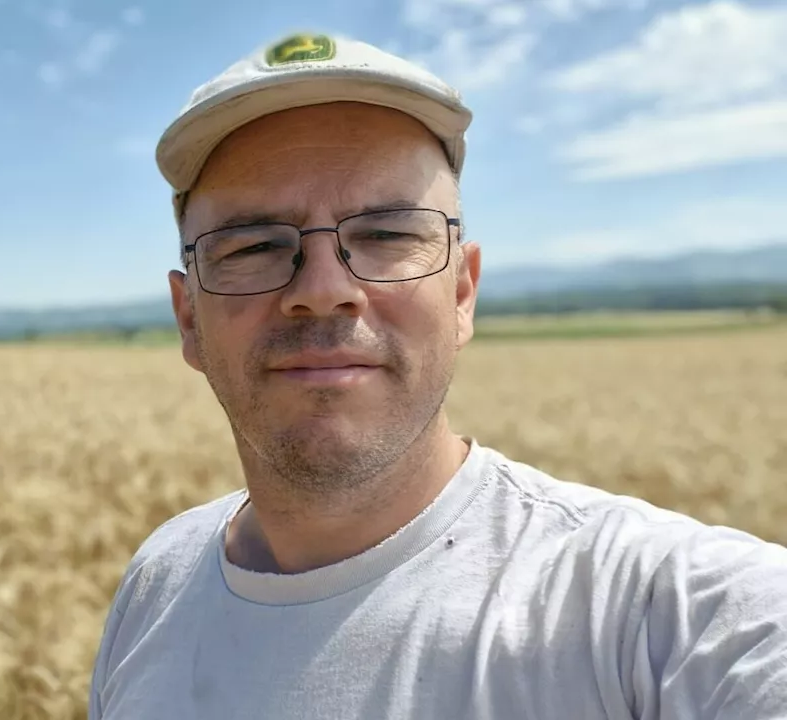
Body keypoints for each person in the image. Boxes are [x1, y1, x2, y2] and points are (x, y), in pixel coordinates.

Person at [86, 31, 787, 719]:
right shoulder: (158, 583)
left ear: (461, 293)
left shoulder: (671, 617)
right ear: (188, 318)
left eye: (387, 235)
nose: (325, 288)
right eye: (252, 245)